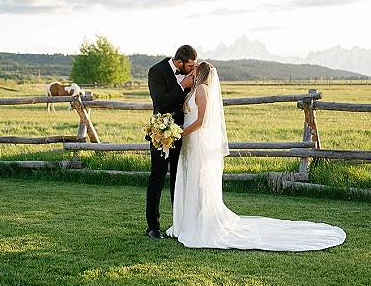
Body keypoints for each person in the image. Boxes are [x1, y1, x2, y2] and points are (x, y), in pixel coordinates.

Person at [166, 62, 346, 251]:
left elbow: (201, 120)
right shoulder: (195, 89)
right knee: (191, 181)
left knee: (198, 182)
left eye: (194, 68)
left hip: (195, 142)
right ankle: (188, 223)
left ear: (200, 72)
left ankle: (200, 224)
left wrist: (181, 133)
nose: (191, 69)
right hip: (189, 144)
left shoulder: (202, 89)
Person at [146, 45, 198, 239]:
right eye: (189, 65)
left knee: (178, 180)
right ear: (178, 63)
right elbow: (160, 102)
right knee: (157, 180)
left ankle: (179, 226)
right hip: (161, 133)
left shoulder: (191, 72)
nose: (192, 69)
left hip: (183, 134)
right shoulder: (156, 72)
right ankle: (153, 227)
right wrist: (182, 86)